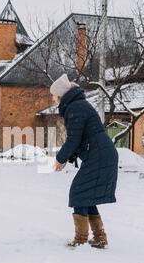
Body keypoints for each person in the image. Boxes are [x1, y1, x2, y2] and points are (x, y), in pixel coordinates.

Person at [51, 74, 119, 249]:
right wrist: (69, 156)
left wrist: (60, 158)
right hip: (100, 153)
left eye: (53, 95)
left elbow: (74, 139)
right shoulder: (77, 105)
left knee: (79, 193)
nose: (53, 99)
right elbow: (80, 138)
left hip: (99, 155)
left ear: (60, 95)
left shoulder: (75, 108)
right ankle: (99, 238)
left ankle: (81, 239)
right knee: (86, 194)